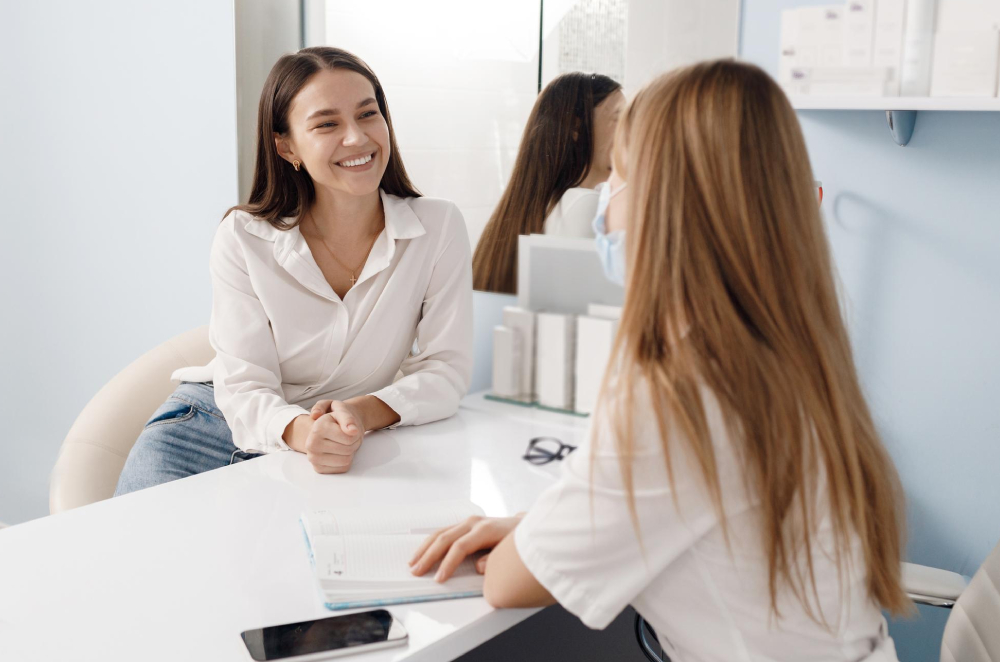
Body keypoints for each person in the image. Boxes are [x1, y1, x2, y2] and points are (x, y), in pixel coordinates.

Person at [410, 60, 910, 661]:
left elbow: (508, 582)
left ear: (663, 201)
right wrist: (542, 525)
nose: (603, 203)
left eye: (617, 175)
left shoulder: (678, 393)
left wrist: (536, 533)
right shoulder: (788, 355)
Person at [115, 47, 472, 495]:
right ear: (286, 146)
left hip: (339, 442)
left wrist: (359, 415)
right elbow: (244, 384)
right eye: (327, 124)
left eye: (368, 114)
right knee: (137, 561)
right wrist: (305, 432)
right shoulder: (244, 237)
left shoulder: (437, 228)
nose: (357, 138)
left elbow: (446, 371)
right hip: (209, 429)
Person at [472, 72, 624, 293]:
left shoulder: (535, 206)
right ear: (576, 128)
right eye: (619, 119)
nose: (629, 133)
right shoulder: (584, 205)